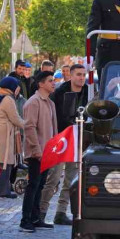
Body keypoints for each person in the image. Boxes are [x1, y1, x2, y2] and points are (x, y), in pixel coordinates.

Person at [46, 64, 90, 225]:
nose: (81, 77)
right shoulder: (59, 92)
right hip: (60, 139)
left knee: (71, 178)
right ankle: (40, 212)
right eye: (78, 74)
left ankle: (61, 212)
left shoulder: (89, 92)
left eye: (83, 74)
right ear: (70, 75)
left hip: (78, 140)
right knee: (54, 177)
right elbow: (52, 114)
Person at [20, 71, 58, 232]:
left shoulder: (49, 103)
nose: (53, 83)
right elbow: (29, 127)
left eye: (53, 81)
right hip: (37, 152)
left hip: (47, 151)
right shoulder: (33, 102)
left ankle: (36, 218)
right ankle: (25, 220)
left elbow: (53, 128)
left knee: (40, 185)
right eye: (50, 81)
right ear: (41, 84)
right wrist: (36, 150)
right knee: (33, 185)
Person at [0, 77, 26, 199]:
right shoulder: (8, 99)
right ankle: (3, 190)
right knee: (5, 162)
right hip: (4, 133)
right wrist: (29, 126)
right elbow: (15, 118)